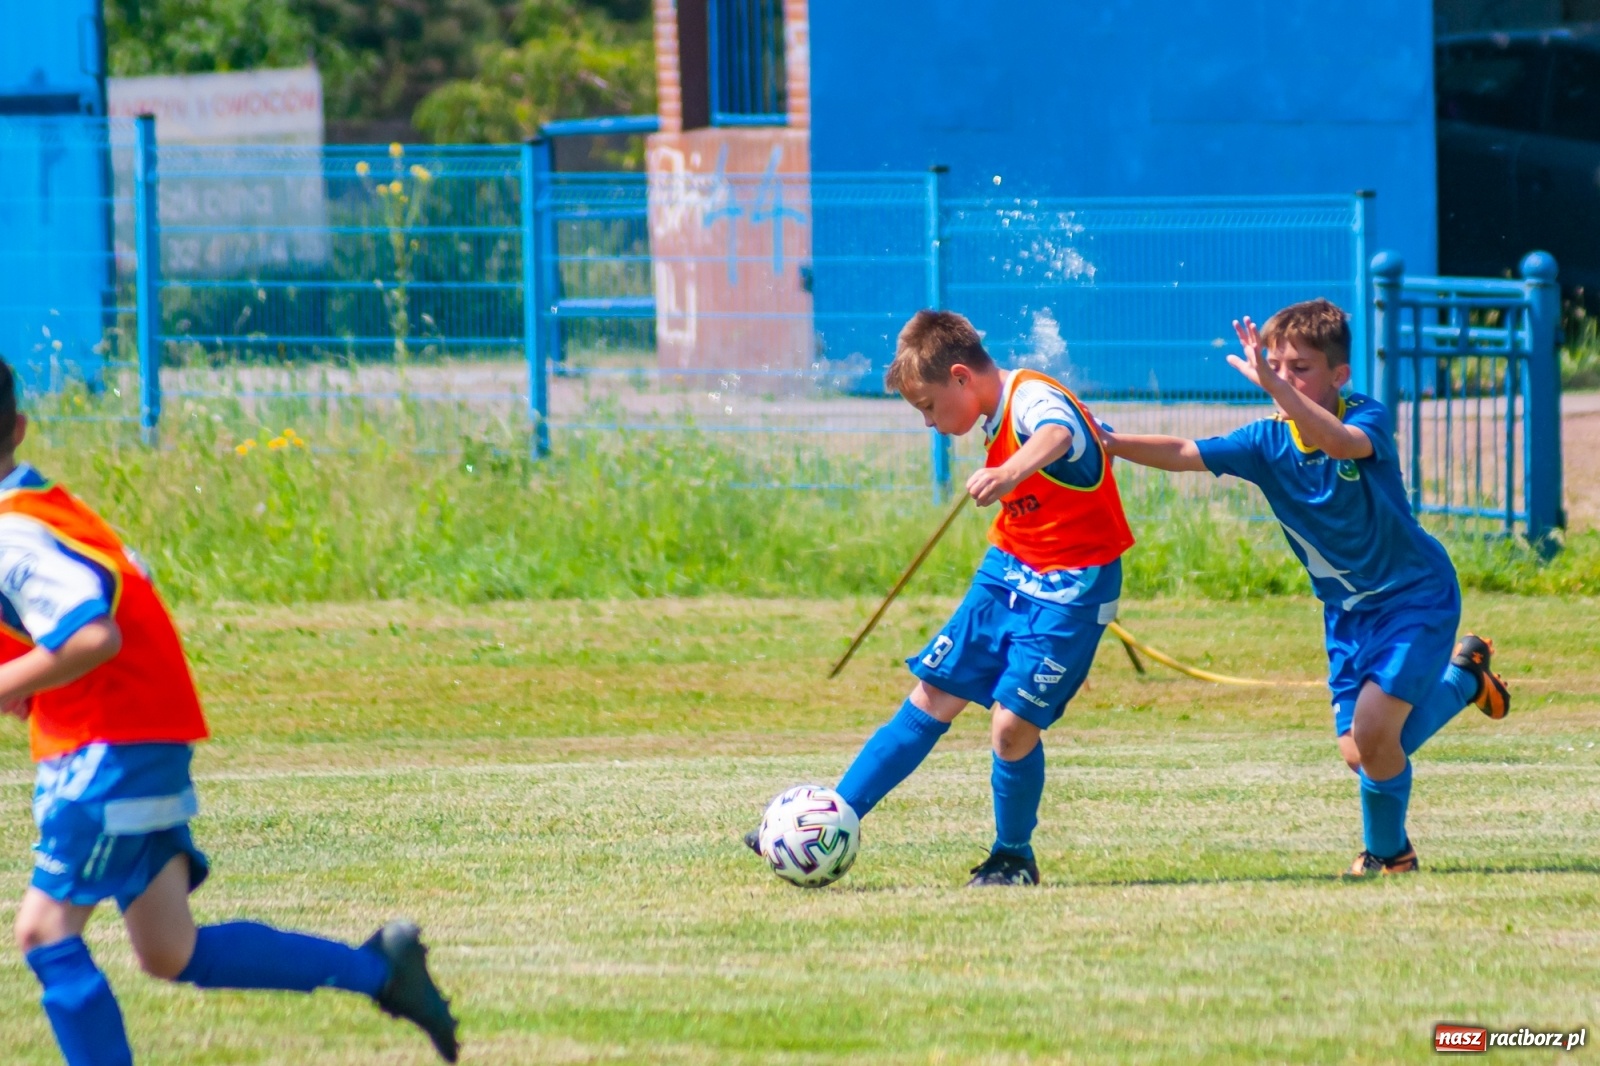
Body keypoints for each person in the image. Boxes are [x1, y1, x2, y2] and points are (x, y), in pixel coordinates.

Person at [0, 361, 460, 1064]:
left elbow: (93, 634)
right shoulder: (41, 507)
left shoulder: (11, 533)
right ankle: (381, 970)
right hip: (133, 738)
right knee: (170, 950)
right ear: (21, 430)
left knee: (43, 932)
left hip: (107, 750)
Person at [1101, 299, 1509, 877]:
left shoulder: (1364, 416)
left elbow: (1340, 442)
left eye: (1300, 368)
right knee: (1359, 752)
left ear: (1339, 375)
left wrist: (1277, 389)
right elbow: (1185, 451)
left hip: (1413, 595)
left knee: (1372, 735)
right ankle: (1463, 681)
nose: (1283, 378)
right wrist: (1112, 443)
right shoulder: (1266, 444)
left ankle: (1389, 856)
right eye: (1275, 366)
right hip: (1347, 614)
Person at [750, 309, 1134, 885]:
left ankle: (1013, 855)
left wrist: (1008, 473)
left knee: (1010, 728)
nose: (928, 423)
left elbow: (1058, 434)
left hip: (1072, 592)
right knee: (932, 693)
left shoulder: (1031, 398)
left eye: (928, 406)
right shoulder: (994, 408)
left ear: (961, 376)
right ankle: (830, 819)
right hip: (1007, 571)